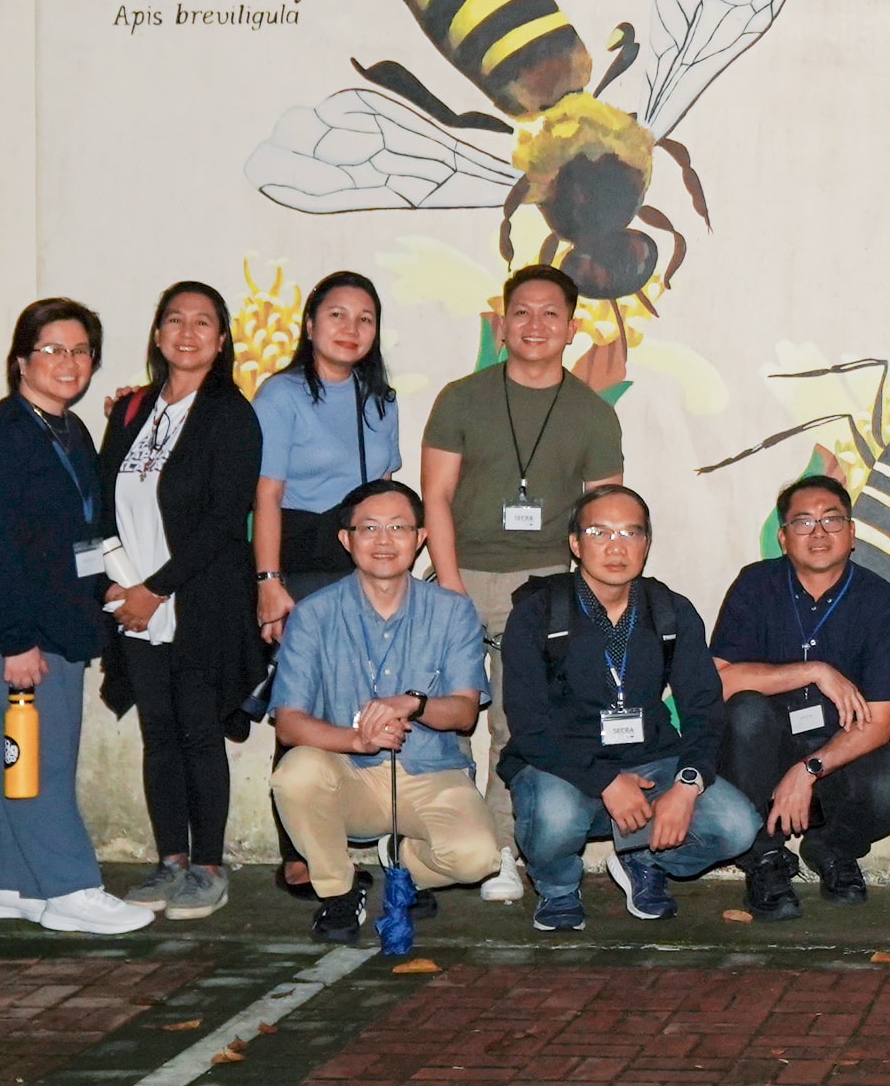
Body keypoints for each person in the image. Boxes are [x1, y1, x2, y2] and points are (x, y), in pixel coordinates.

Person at [420, 263, 625, 900]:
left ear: (572, 328)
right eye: (522, 312)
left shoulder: (592, 414)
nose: (536, 324)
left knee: (515, 727)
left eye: (551, 314)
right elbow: (436, 498)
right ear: (503, 324)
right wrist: (449, 585)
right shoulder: (460, 397)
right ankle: (433, 849)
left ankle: (503, 854)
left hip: (541, 589)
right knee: (440, 723)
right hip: (456, 574)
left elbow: (603, 517)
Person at [0, 296, 151, 937]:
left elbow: (84, 531)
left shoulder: (70, 429)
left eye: (80, 351)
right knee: (36, 761)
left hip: (61, 623)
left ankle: (9, 882)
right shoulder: (1, 434)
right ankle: (71, 887)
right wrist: (14, 641)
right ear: (20, 360)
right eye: (53, 350)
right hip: (15, 633)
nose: (69, 363)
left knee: (28, 757)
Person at [497, 483, 756, 930]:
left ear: (647, 544)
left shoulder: (670, 611)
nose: (616, 547)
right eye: (600, 532)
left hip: (651, 759)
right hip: (561, 765)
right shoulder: (539, 613)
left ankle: (644, 861)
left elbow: (704, 710)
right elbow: (528, 726)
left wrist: (687, 784)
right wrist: (605, 780)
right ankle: (558, 887)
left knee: (737, 825)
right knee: (555, 816)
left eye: (630, 533)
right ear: (576, 544)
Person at [267, 477, 507, 951]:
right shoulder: (314, 614)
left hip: (429, 771)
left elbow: (463, 713)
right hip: (350, 772)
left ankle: (404, 861)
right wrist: (356, 740)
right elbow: (289, 720)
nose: (383, 540)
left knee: (479, 859)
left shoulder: (453, 612)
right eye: (369, 528)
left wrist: (413, 703)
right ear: (346, 539)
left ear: (420, 538)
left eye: (398, 527)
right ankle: (339, 890)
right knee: (295, 774)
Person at [95, 281, 266, 918]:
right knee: (158, 735)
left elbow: (224, 521)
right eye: (175, 320)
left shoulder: (232, 414)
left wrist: (156, 589)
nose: (187, 332)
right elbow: (102, 500)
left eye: (203, 323)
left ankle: (209, 866)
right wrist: (119, 584)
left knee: (199, 734)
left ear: (221, 341)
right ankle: (169, 861)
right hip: (133, 602)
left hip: (198, 601)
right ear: (158, 334)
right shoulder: (131, 409)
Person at [711, 473, 890, 918]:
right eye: (803, 523)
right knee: (745, 712)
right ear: (784, 538)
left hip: (834, 749)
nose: (819, 532)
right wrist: (815, 671)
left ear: (852, 533)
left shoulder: (882, 602)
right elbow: (722, 682)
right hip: (759, 748)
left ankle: (830, 846)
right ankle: (764, 859)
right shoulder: (755, 585)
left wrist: (807, 771)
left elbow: (880, 724)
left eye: (832, 520)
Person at [251, 269, 403, 630]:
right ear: (309, 325)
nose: (351, 329)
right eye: (337, 315)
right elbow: (266, 498)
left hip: (368, 571)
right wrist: (269, 581)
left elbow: (384, 488)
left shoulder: (381, 399)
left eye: (364, 320)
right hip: (303, 568)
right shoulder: (279, 395)